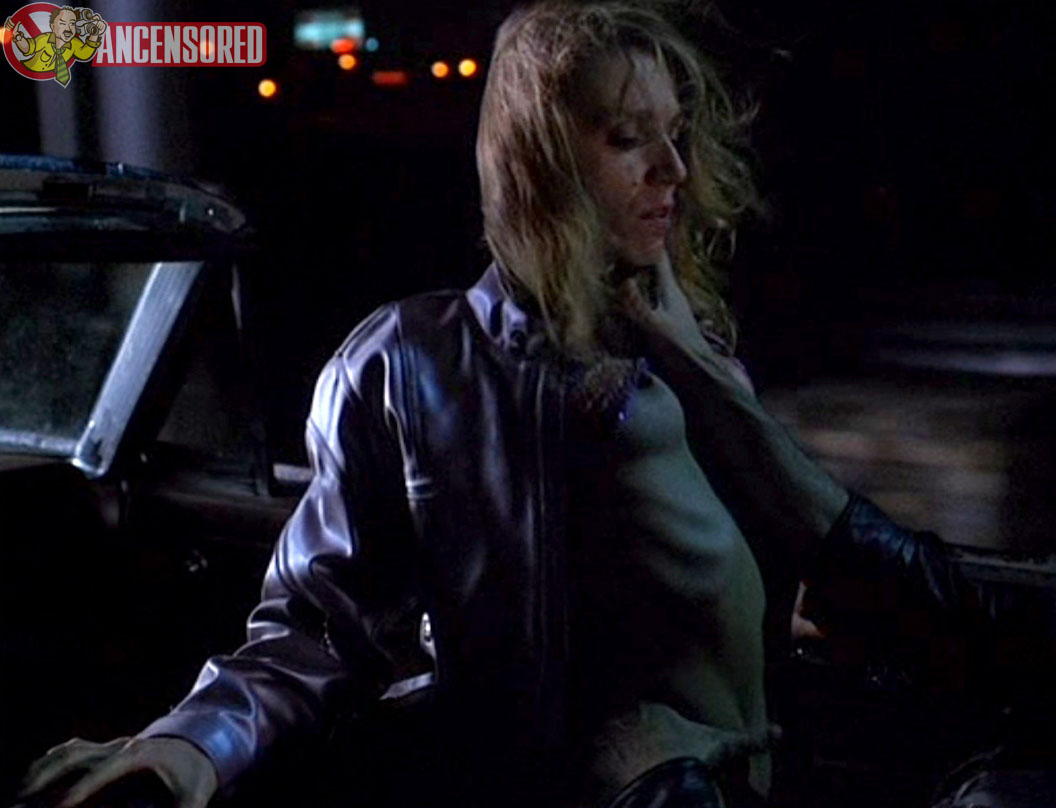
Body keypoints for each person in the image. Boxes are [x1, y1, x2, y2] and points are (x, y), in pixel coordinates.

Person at [12, 2, 1006, 807]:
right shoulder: (410, 366)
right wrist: (193, 744)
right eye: (629, 139)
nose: (671, 170)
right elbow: (317, 626)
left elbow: (843, 588)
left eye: (675, 136)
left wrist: (697, 370)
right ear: (543, 166)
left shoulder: (690, 355)